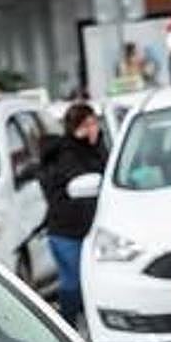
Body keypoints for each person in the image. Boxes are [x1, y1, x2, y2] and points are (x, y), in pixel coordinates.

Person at [39, 104, 106, 327]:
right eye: (88, 124)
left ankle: (91, 323)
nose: (93, 128)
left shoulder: (96, 147)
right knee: (73, 282)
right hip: (67, 230)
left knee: (95, 281)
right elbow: (79, 182)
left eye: (94, 122)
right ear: (76, 127)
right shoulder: (65, 153)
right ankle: (68, 326)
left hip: (95, 227)